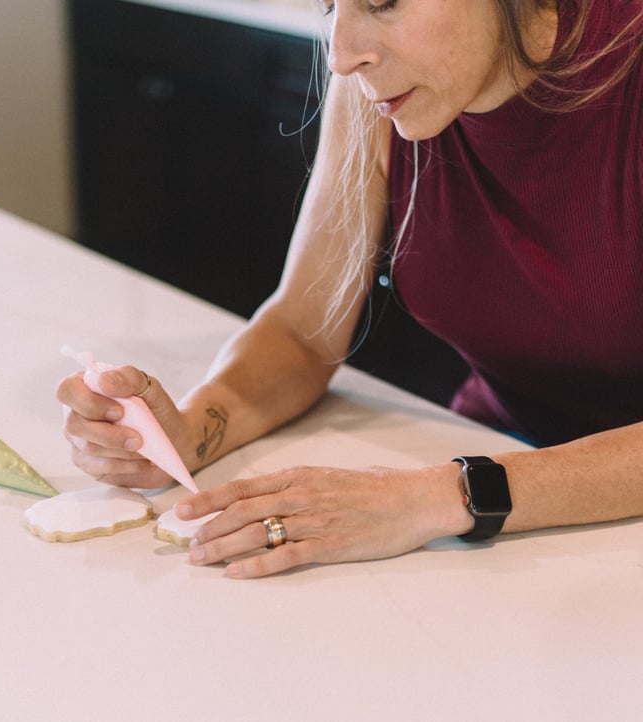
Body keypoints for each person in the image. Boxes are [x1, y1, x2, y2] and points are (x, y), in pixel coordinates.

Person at [57, 0, 643, 578]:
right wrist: (189, 434)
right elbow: (301, 333)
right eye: (329, 4)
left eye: (383, 2)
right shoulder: (384, 87)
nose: (339, 57)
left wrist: (441, 495)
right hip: (491, 453)